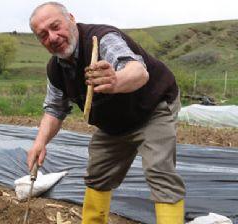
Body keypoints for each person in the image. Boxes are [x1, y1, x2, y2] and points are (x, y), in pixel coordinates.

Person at [27, 2, 185, 224]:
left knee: (160, 172)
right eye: (43, 35)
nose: (52, 37)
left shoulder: (101, 39)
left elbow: (138, 72)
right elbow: (55, 109)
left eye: (56, 26)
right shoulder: (56, 69)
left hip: (152, 108)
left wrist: (116, 81)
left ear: (71, 18)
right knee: (97, 175)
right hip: (113, 123)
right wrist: (39, 143)